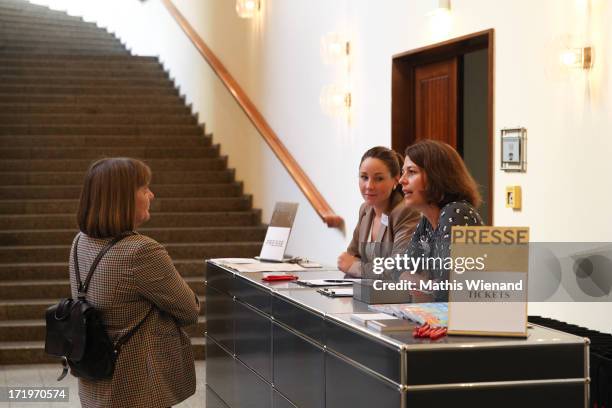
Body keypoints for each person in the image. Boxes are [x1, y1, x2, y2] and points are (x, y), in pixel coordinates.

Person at [70, 157, 200, 408]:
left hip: (94, 375)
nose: (151, 194)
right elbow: (189, 310)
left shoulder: (80, 242)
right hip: (135, 384)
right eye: (144, 188)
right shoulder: (141, 251)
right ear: (122, 198)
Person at [398, 140, 484, 301]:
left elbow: (446, 290)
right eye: (403, 172)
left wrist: (421, 282)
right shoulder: (427, 220)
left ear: (436, 176)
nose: (401, 180)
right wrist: (427, 284)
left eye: (411, 172)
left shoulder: (455, 212)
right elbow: (400, 271)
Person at [338, 146, 420, 278]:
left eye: (379, 179)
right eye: (364, 177)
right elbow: (350, 256)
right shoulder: (365, 210)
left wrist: (355, 267)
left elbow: (399, 269)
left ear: (395, 179)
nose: (369, 186)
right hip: (367, 294)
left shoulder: (405, 211)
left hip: (398, 297)